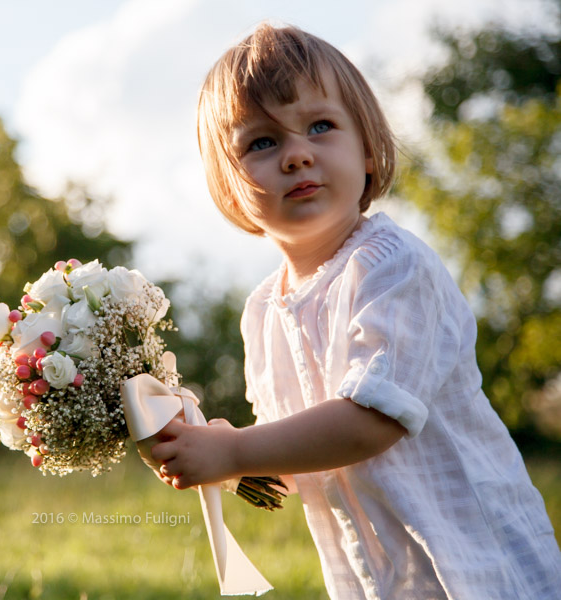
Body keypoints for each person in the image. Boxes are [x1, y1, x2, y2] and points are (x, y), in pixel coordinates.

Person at [148, 23, 561, 599]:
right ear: (229, 183)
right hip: (378, 584)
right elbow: (295, 459)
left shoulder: (393, 267)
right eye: (260, 143)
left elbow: (373, 420)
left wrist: (236, 450)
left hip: (481, 568)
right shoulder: (263, 312)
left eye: (321, 127)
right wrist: (210, 447)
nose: (296, 154)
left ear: (367, 150)